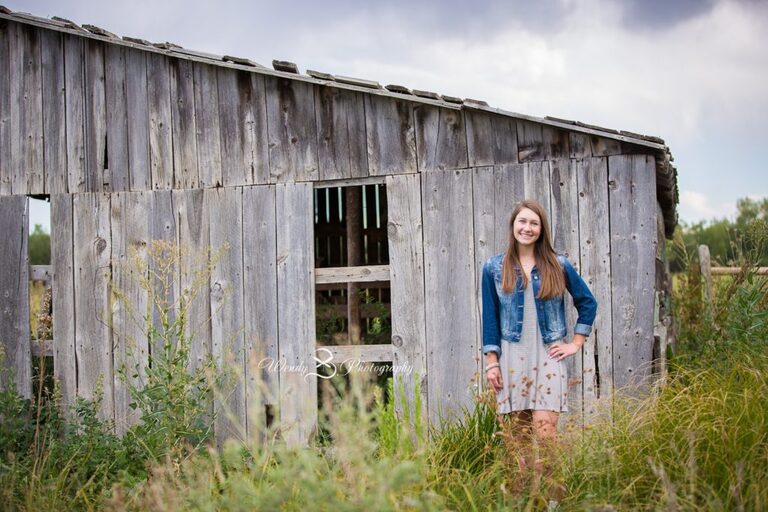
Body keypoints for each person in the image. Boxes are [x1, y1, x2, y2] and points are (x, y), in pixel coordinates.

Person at [481, 198, 597, 505]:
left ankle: (555, 504)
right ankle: (524, 504)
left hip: (548, 358)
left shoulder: (559, 265)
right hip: (511, 359)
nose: (527, 228)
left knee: (546, 441)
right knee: (518, 447)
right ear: (513, 226)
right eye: (522, 222)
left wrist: (575, 342)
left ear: (541, 229)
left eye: (534, 223)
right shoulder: (493, 267)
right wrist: (492, 363)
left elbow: (588, 302)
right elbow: (490, 317)